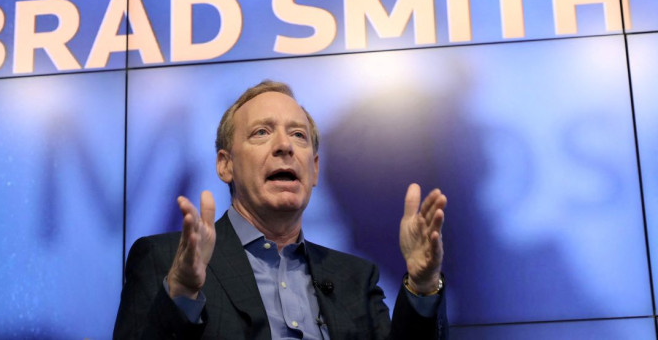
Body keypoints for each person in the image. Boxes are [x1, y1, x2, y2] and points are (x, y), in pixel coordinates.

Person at [113, 80, 448, 339]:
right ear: (225, 165)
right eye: (262, 132)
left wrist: (423, 284)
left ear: (314, 169)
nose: (285, 146)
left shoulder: (356, 279)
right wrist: (182, 294)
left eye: (299, 135)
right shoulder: (164, 260)